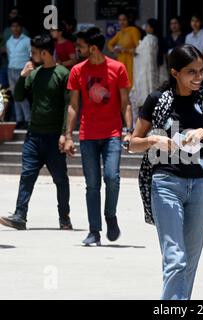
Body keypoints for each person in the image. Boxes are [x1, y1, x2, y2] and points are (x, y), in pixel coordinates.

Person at [129, 44, 203, 300]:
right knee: (175, 259)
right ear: (175, 72)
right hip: (165, 184)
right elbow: (132, 142)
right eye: (191, 72)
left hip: (202, 187)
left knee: (188, 263)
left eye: (201, 70)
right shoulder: (157, 99)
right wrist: (152, 141)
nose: (199, 77)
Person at [64, 28, 133, 247]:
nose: (78, 49)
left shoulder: (117, 68)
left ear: (92, 48)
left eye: (81, 46)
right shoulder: (77, 70)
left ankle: (110, 216)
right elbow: (73, 106)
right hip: (88, 135)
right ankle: (94, 230)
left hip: (112, 133)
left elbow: (125, 102)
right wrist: (67, 135)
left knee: (112, 178)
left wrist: (129, 130)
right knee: (92, 185)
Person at [0, 34, 72, 231]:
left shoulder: (62, 74)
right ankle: (20, 215)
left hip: (53, 137)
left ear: (44, 53)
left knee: (60, 179)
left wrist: (65, 133)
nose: (31, 55)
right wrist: (23, 77)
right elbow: (18, 96)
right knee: (27, 175)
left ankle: (64, 217)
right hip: (33, 135)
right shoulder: (34, 73)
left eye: (33, 52)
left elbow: (69, 106)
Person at [130, 18, 168, 127]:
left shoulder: (148, 40)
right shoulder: (157, 40)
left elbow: (141, 57)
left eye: (147, 26)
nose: (145, 28)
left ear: (151, 28)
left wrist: (133, 52)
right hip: (156, 78)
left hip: (147, 79)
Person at [6, 16, 31, 129]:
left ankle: (28, 119)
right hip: (11, 69)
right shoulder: (9, 41)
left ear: (21, 28)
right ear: (11, 28)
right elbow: (9, 55)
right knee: (15, 96)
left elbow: (31, 56)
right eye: (13, 26)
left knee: (23, 95)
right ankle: (19, 119)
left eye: (17, 26)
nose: (15, 28)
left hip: (23, 70)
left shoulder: (27, 40)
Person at [107, 12, 142, 86]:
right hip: (121, 61)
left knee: (130, 82)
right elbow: (109, 44)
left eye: (124, 20)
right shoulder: (119, 33)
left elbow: (139, 48)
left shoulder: (133, 30)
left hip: (131, 61)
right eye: (120, 20)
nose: (121, 22)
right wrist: (114, 50)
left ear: (128, 20)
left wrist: (126, 50)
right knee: (122, 82)